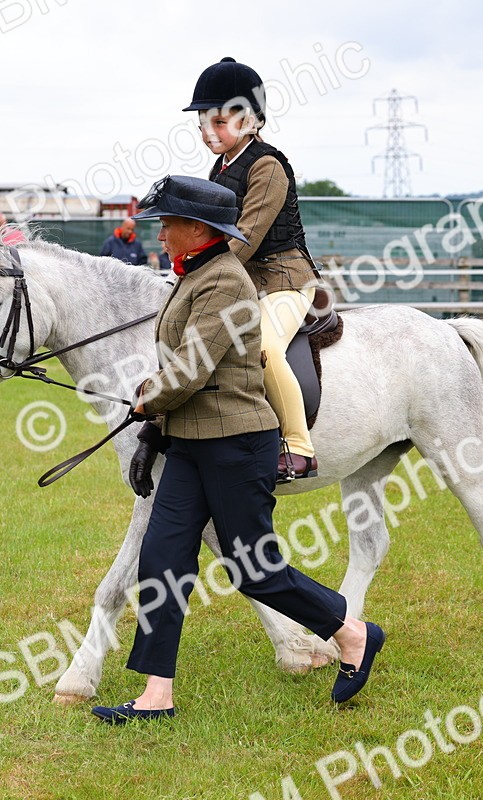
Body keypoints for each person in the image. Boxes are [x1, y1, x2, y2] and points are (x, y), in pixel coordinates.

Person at [90, 176, 385, 725]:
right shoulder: (192, 275)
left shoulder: (224, 282)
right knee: (162, 560)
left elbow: (191, 368)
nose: (160, 232)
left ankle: (354, 634)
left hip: (234, 445)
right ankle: (157, 695)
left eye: (167, 222)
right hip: (190, 446)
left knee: (254, 569)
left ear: (197, 229)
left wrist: (147, 399)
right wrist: (157, 419)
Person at [185, 57, 321, 481]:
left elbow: (245, 237)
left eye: (219, 122)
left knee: (261, 345)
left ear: (251, 119)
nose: (208, 132)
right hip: (244, 281)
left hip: (285, 281)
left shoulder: (267, 166)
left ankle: (299, 447)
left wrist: (200, 274)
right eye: (203, 122)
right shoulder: (221, 167)